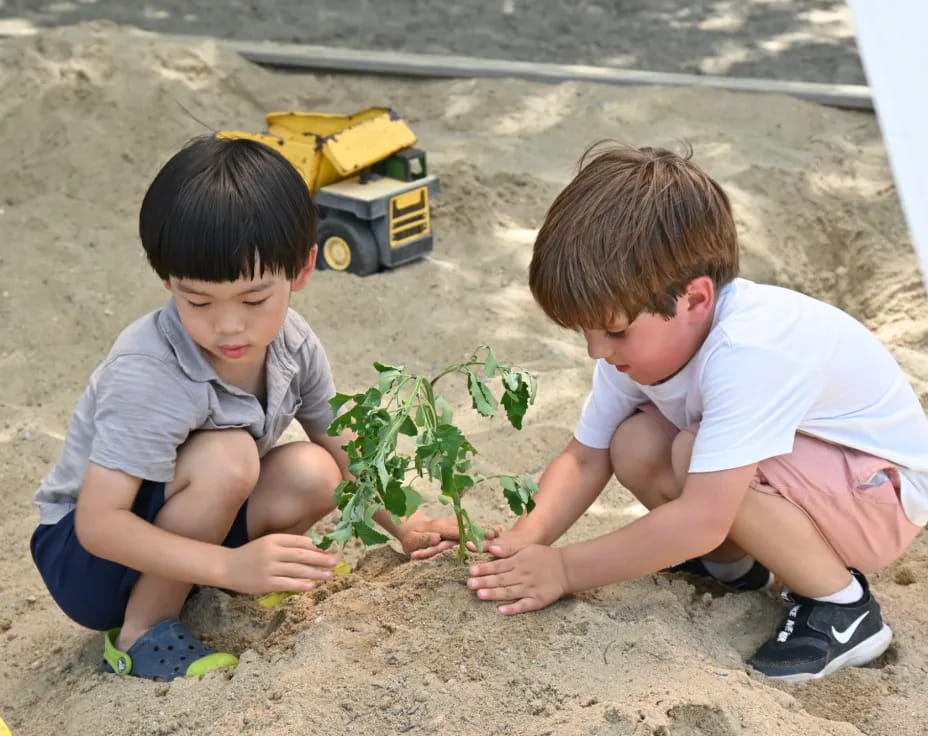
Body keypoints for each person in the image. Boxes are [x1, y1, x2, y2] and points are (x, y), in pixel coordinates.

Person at [466, 144, 928, 682]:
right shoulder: (632, 352)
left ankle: (843, 607)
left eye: (614, 331)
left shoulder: (749, 350)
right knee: (634, 442)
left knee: (692, 451)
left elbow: (704, 516)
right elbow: (586, 459)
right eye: (585, 332)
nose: (597, 351)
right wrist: (524, 541)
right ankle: (733, 569)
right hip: (812, 487)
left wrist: (565, 569)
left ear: (695, 300)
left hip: (879, 501)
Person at [30, 136, 471, 681]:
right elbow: (99, 524)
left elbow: (340, 441)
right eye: (198, 301)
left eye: (254, 299)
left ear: (303, 270)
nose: (229, 326)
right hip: (89, 563)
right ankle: (142, 632)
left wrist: (408, 523)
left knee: (317, 471)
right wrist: (229, 564)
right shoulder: (149, 371)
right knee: (230, 456)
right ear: (167, 280)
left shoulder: (295, 344)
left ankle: (204, 580)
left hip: (180, 528)